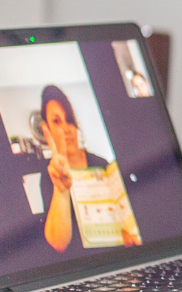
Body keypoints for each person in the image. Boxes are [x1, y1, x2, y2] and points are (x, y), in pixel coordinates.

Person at [39, 85, 136, 252]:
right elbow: (58, 243)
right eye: (56, 121)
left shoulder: (102, 164)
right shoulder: (50, 176)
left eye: (69, 119)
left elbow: (124, 214)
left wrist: (129, 232)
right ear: (47, 129)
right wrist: (61, 190)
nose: (65, 128)